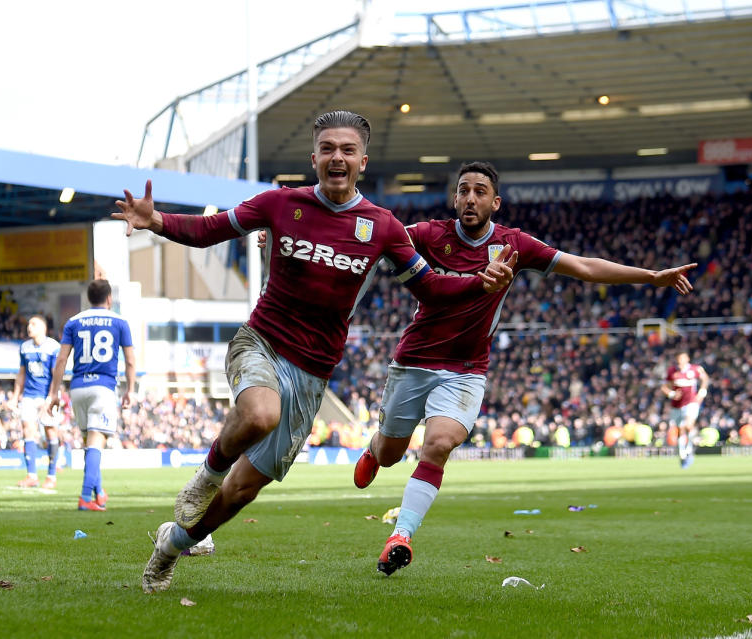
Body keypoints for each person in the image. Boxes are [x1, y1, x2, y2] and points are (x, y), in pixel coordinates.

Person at [111, 111, 516, 594]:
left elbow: (430, 288)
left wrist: (479, 283)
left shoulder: (382, 227)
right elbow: (211, 229)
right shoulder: (281, 203)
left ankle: (173, 545)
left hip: (312, 371)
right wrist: (154, 220)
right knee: (259, 415)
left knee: (242, 493)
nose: (337, 157)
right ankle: (206, 474)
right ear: (315, 158)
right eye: (328, 149)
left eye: (347, 150)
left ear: (362, 162)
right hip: (261, 341)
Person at [352, 160, 697, 576]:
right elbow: (368, 245)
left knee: (439, 444)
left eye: (480, 191)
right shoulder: (428, 235)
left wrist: (651, 276)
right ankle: (375, 449)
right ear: (454, 198)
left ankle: (401, 535)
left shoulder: (514, 245)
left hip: (465, 368)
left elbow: (584, 266)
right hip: (413, 361)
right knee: (391, 453)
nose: (470, 198)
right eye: (463, 190)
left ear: (494, 202)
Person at [46, 279, 136, 511]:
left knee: (89, 442)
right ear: (109, 299)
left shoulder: (74, 322)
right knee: (97, 442)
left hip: (77, 388)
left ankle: (99, 492)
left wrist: (54, 393)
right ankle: (85, 497)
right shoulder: (120, 322)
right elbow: (130, 360)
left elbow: (62, 359)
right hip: (103, 387)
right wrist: (130, 390)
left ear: (88, 299)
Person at [11, 315, 61, 489]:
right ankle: (32, 476)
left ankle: (51, 476)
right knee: (27, 431)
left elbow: (56, 374)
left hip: (48, 395)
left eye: (33, 324)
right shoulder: (24, 347)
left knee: (51, 433)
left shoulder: (54, 347)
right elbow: (22, 373)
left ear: (43, 328)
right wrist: (15, 396)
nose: (29, 327)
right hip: (29, 396)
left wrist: (51, 397)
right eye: (28, 324)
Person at [660, 351, 708, 469]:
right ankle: (682, 453)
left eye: (682, 359)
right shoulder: (672, 371)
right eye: (678, 360)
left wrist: (702, 392)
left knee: (688, 425)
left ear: (687, 359)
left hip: (691, 403)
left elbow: (705, 379)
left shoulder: (695, 369)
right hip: (676, 406)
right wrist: (671, 394)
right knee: (680, 429)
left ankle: (689, 450)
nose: (680, 362)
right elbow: (664, 387)